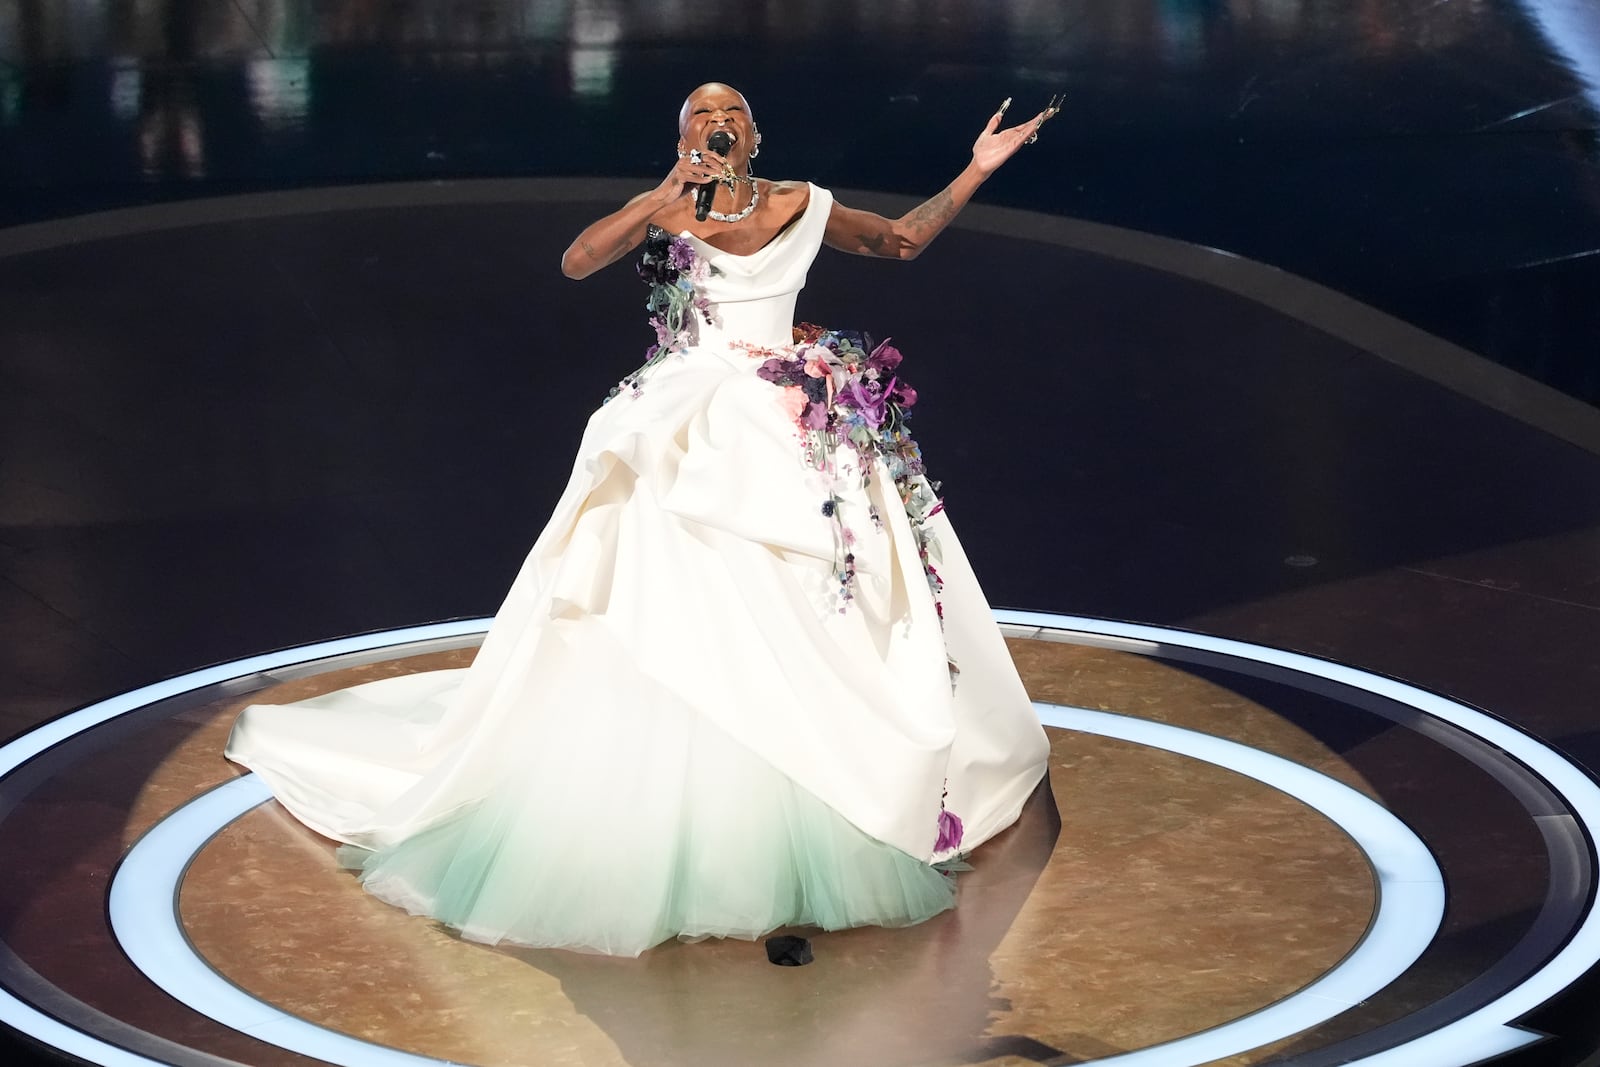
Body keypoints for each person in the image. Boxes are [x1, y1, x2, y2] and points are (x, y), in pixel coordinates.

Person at [226, 83, 1057, 958]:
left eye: (731, 109)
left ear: (756, 130)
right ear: (683, 135)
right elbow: (577, 261)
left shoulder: (801, 203)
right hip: (688, 421)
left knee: (811, 600)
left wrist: (975, 168)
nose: (718, 120)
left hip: (786, 416)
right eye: (700, 114)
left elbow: (901, 238)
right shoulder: (665, 208)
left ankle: (823, 785)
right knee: (673, 592)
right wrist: (660, 203)